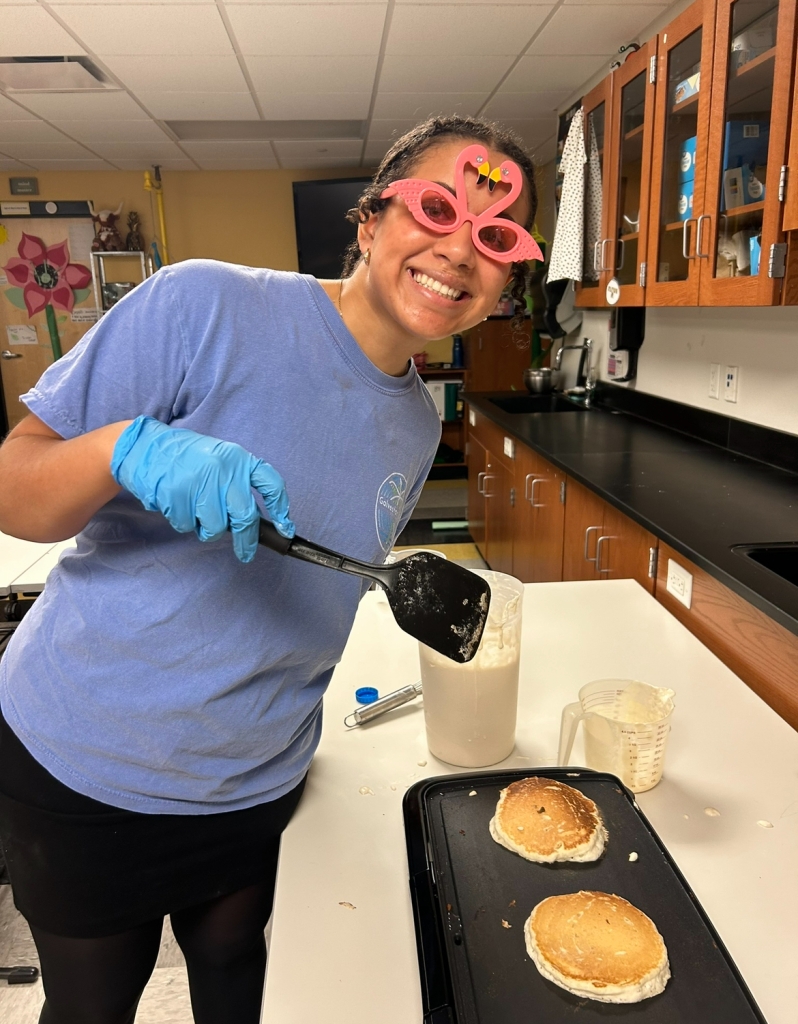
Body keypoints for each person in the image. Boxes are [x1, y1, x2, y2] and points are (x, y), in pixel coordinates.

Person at [0, 115, 538, 1024]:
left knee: (237, 968)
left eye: (493, 237)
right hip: (88, 761)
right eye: (435, 207)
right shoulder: (202, 305)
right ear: (370, 222)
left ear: (504, 279)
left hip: (256, 775)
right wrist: (122, 450)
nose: (457, 250)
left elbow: (318, 578)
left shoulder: (415, 423)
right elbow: (15, 489)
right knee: (94, 1003)